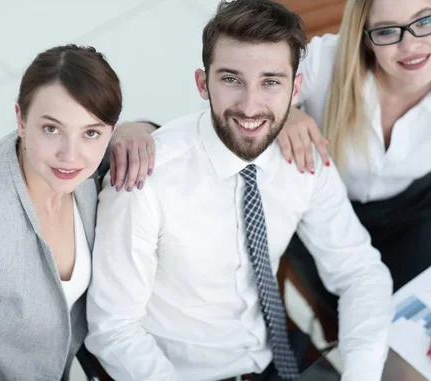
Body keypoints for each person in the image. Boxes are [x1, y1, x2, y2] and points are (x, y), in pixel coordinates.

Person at [85, 1, 393, 381]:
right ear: (203, 83)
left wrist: (360, 374)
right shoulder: (144, 181)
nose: (250, 106)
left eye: (270, 82)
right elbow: (114, 331)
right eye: (231, 80)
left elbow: (361, 272)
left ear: (295, 88)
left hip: (273, 356)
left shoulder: (303, 159)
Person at [275, 0, 431, 364]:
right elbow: (235, 90)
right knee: (362, 333)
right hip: (325, 213)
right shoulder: (326, 59)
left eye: (425, 21)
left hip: (415, 214)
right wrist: (281, 113)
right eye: (387, 31)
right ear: (365, 37)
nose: (411, 46)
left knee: (418, 351)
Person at [0, 45, 123, 381]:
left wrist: (138, 130)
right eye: (52, 129)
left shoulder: (80, 171)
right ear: (21, 120)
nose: (70, 156)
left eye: (90, 132)